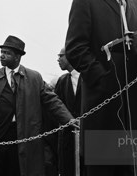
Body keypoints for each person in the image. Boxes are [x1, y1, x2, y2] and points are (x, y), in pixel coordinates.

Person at [65, 0, 137, 175]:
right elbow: (75, 48)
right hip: (101, 103)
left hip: (133, 104)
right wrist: (102, 79)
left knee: (132, 168)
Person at [0, 35, 76, 176]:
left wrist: (69, 120)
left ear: (18, 57)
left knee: (19, 170)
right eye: (2, 52)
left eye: (7, 53)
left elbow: (52, 101)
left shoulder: (34, 78)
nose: (2, 56)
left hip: (23, 137)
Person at [54, 47, 82, 176]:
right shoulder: (62, 81)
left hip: (88, 136)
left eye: (61, 56)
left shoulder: (88, 78)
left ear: (71, 56)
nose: (58, 59)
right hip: (67, 138)